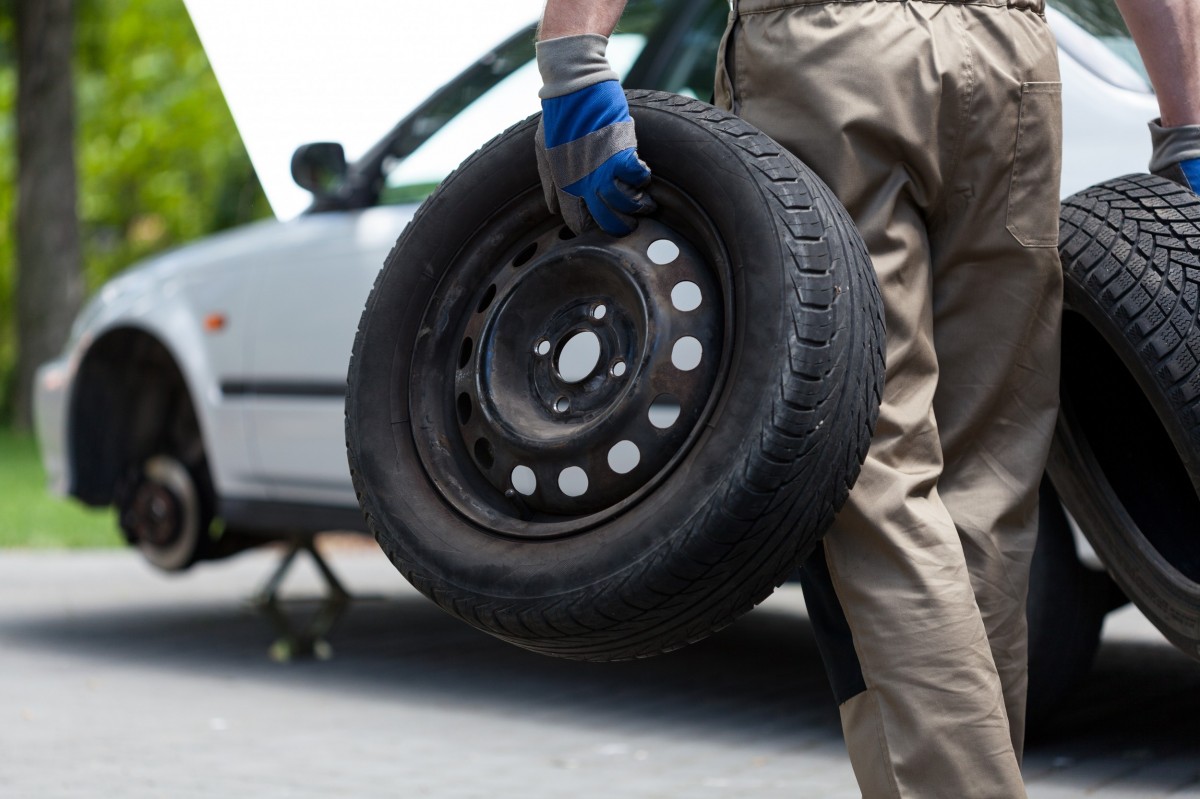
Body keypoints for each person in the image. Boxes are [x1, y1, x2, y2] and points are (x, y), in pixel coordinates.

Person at [534, 1, 1199, 796]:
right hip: (1008, 58)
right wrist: (1187, 119)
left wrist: (572, 52)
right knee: (986, 477)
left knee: (867, 464)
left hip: (836, 51)